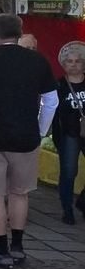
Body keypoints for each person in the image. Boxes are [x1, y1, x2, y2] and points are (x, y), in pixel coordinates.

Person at [0, 13, 58, 268]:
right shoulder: (37, 61)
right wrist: (40, 130)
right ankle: (17, 247)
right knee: (20, 193)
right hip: (26, 137)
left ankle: (0, 250)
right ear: (19, 33)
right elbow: (51, 101)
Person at [53, 41, 85, 224]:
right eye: (70, 61)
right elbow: (54, 113)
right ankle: (67, 208)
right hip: (69, 134)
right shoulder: (59, 85)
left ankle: (82, 201)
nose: (74, 64)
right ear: (64, 65)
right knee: (69, 171)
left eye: (78, 61)